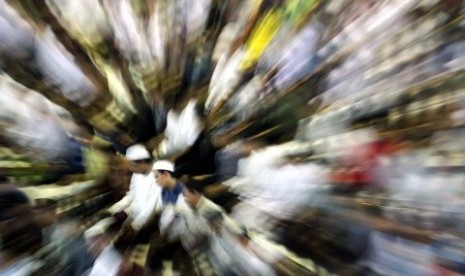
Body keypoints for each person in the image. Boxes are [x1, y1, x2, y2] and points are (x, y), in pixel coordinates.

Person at [108, 144, 162, 232]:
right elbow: (131, 196)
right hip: (133, 214)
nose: (131, 169)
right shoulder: (137, 173)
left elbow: (150, 206)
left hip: (149, 220)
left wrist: (134, 226)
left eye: (132, 165)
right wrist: (112, 210)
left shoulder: (158, 175)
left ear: (142, 162)